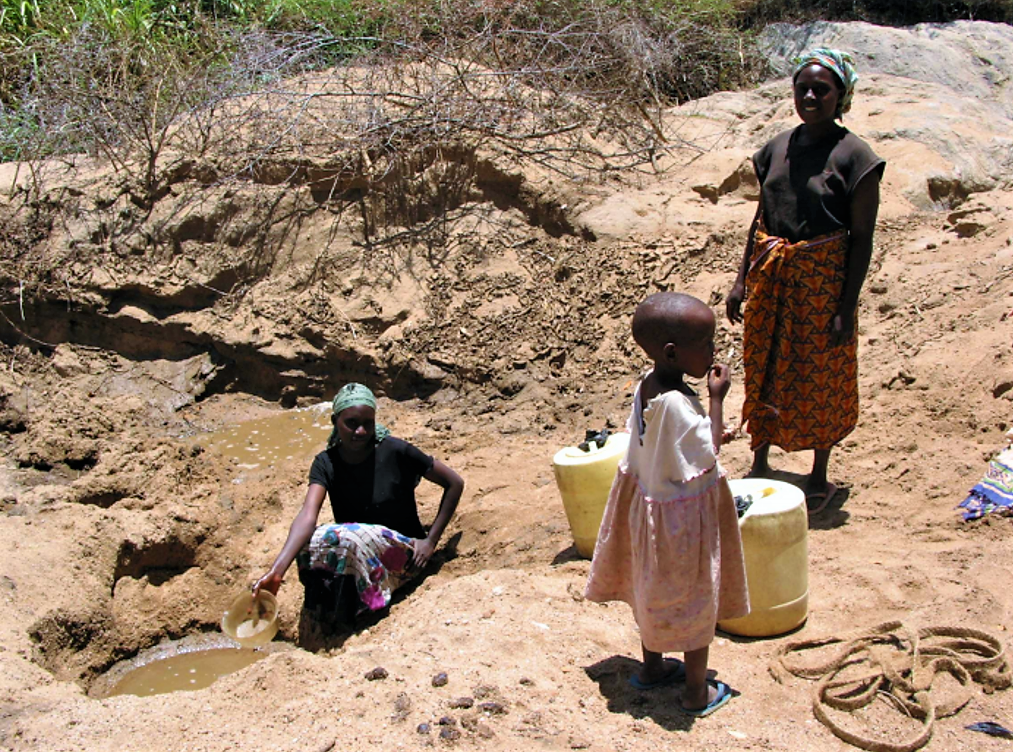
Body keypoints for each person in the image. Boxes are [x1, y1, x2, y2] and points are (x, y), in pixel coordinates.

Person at [725, 48, 885, 513]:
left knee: (821, 374)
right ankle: (760, 460)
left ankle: (819, 473)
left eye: (822, 89)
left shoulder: (856, 157)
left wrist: (845, 307)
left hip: (822, 281)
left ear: (842, 96)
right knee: (765, 364)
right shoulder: (777, 147)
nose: (811, 96)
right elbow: (761, 217)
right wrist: (741, 281)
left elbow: (862, 239)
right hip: (771, 275)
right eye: (803, 89)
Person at [585, 292, 749, 717]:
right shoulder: (678, 403)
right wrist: (716, 399)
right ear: (674, 352)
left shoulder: (648, 384)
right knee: (695, 597)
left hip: (649, 508)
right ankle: (697, 692)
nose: (714, 350)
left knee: (650, 590)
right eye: (707, 342)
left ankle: (653, 667)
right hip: (681, 519)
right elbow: (707, 452)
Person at [253, 383, 464, 634]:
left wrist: (430, 541)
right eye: (351, 423)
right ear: (335, 421)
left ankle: (365, 612)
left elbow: (454, 483)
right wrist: (277, 571)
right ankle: (324, 613)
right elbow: (307, 517)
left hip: (404, 555)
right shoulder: (326, 463)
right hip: (359, 554)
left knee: (349, 536)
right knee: (310, 541)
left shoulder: (396, 451)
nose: (361, 431)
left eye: (368, 423)